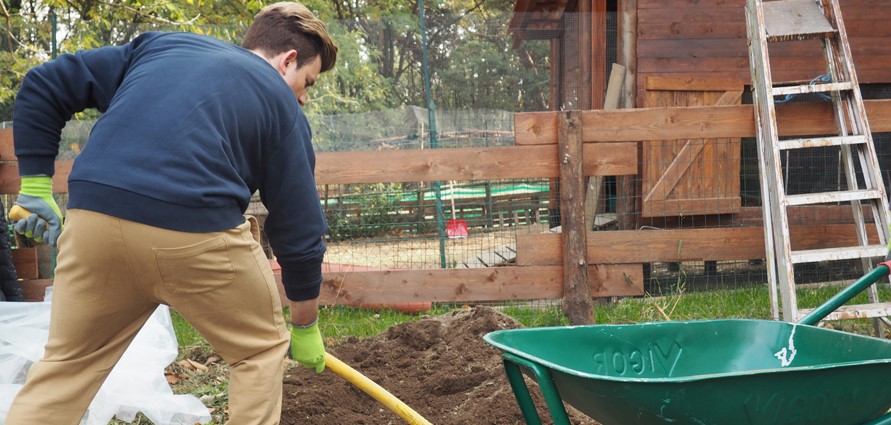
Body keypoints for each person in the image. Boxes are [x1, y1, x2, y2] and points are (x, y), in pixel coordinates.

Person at [5, 2, 337, 424]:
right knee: (258, 351)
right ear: (288, 59)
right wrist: (305, 326)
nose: (304, 97)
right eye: (307, 81)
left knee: (68, 366)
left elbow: (45, 82)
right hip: (196, 232)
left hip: (93, 222)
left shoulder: (161, 47)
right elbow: (301, 229)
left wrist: (34, 185)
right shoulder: (280, 102)